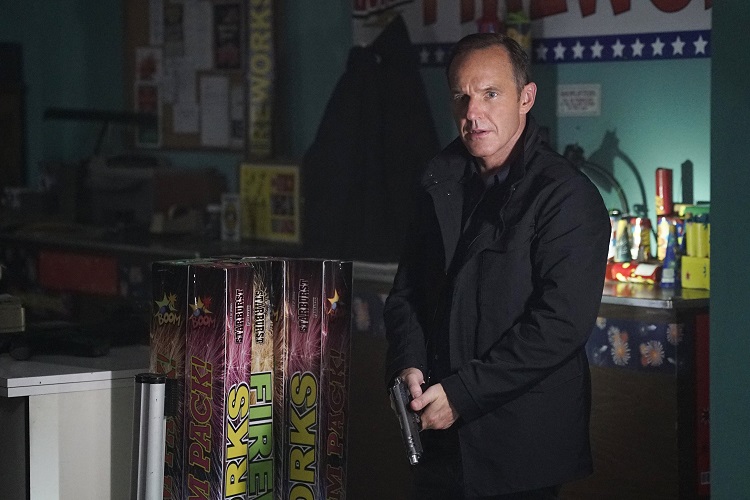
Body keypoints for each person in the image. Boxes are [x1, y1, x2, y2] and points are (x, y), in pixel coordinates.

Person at [384, 32, 611, 499]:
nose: (473, 113)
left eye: (490, 94)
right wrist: (408, 363)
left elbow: (560, 325)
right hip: (439, 440)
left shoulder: (565, 196)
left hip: (520, 448)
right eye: (461, 96)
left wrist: (463, 393)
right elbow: (407, 293)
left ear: (526, 98)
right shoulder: (438, 181)